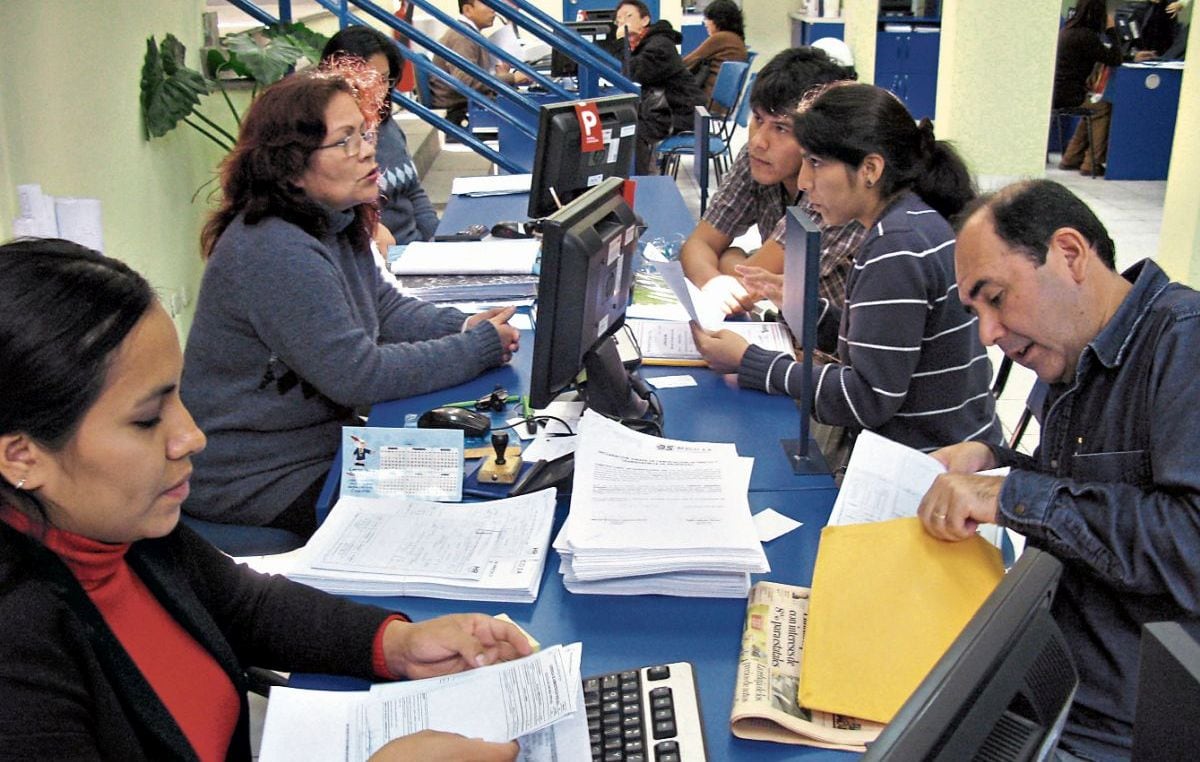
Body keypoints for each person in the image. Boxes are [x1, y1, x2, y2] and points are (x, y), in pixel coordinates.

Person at [0, 237, 531, 760]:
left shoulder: (121, 531)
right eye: (146, 419)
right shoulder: (17, 650)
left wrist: (395, 645)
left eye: (178, 396)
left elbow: (246, 606)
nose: (191, 436)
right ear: (21, 457)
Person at [916, 179, 1200, 759]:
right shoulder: (1069, 356)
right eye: (976, 312)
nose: (988, 334)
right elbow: (1088, 493)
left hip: (1118, 726)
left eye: (996, 298)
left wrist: (1010, 495)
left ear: (1069, 254)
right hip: (1043, 670)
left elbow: (1190, 542)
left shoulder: (1183, 344)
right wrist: (995, 461)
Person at [181, 70, 520, 536]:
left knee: (475, 480)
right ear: (291, 167)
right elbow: (359, 376)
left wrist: (464, 326)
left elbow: (386, 309)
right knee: (460, 503)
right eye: (345, 141)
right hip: (259, 476)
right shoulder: (274, 248)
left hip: (319, 446)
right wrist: (477, 348)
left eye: (364, 133)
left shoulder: (333, 220)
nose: (366, 150)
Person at [691, 83, 1000, 462]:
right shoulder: (909, 221)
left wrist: (750, 361)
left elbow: (866, 399)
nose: (804, 182)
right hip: (929, 443)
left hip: (924, 463)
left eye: (816, 164)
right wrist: (801, 304)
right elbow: (880, 337)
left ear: (870, 169)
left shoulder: (895, 246)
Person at [679, 47, 863, 318]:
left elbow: (750, 286)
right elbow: (697, 244)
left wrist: (730, 258)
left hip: (838, 339)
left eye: (781, 128)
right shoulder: (759, 158)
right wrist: (714, 283)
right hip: (793, 326)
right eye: (758, 118)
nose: (758, 141)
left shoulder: (833, 189)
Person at [321, 26, 439, 248]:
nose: (377, 91)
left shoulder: (387, 126)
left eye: (384, 80)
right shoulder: (326, 142)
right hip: (377, 255)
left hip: (416, 251)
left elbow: (414, 192)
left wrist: (437, 240)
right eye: (366, 79)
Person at [615, 0, 706, 175]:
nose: (622, 22)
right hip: (664, 106)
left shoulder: (659, 45)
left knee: (632, 130)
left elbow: (633, 72)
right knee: (625, 119)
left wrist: (621, 42)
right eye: (618, 19)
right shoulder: (646, 44)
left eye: (628, 16)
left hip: (680, 112)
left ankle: (642, 181)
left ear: (645, 20)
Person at [1053, 0, 1124, 176]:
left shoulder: (1068, 31)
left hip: (1058, 93)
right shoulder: (1086, 37)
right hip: (1070, 95)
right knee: (1102, 108)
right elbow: (1115, 58)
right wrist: (1111, 30)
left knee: (1090, 109)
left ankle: (1071, 158)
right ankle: (1092, 163)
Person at [430, 0, 528, 127]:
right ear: (467, 10)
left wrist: (502, 77)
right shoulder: (462, 37)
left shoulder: (468, 33)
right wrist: (512, 78)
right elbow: (466, 82)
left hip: (468, 106)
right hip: (460, 113)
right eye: (486, 4)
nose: (493, 9)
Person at [680, 0, 747, 103]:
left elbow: (688, 61)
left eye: (708, 18)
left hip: (708, 101)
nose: (705, 23)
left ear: (719, 20)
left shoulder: (721, 38)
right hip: (722, 103)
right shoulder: (736, 39)